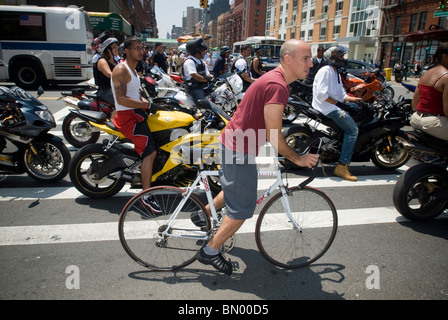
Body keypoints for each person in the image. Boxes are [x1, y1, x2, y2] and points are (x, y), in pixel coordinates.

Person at [194, 39, 319, 275]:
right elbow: (274, 134)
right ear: (288, 59)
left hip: (236, 143)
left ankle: (204, 214)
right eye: (306, 58)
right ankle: (209, 251)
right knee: (242, 209)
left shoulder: (275, 80)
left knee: (235, 188)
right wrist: (298, 159)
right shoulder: (277, 85)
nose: (311, 64)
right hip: (238, 148)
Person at [111, 37, 160, 212]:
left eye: (142, 48)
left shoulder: (132, 69)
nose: (141, 51)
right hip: (128, 118)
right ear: (127, 51)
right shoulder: (121, 70)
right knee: (150, 152)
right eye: (137, 48)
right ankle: (146, 195)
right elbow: (121, 98)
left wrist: (149, 102)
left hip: (136, 113)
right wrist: (145, 105)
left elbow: (134, 94)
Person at [312, 46, 361, 182]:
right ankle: (342, 166)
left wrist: (356, 100)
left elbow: (341, 94)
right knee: (352, 130)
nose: (343, 59)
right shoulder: (326, 71)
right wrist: (339, 104)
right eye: (341, 56)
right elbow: (322, 95)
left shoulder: (335, 72)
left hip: (332, 105)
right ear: (332, 56)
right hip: (327, 108)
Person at [410, 43, 448, 141]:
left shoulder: (426, 74)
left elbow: (414, 104)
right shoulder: (446, 76)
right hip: (434, 123)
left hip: (416, 119)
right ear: (445, 56)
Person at [183, 37, 213, 103]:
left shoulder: (202, 62)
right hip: (194, 89)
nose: (205, 53)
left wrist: (212, 78)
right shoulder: (189, 61)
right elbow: (195, 75)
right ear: (197, 51)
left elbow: (207, 74)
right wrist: (207, 79)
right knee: (203, 103)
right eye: (203, 51)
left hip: (203, 87)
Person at [93, 34, 119, 106]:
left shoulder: (115, 61)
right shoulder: (102, 61)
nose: (117, 48)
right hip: (105, 91)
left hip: (116, 89)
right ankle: (113, 118)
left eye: (117, 46)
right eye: (114, 47)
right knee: (122, 104)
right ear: (108, 50)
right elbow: (109, 74)